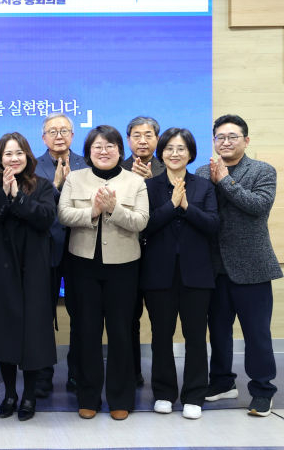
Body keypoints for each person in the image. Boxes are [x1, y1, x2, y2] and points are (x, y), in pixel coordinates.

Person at [58, 125, 149, 421]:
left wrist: (113, 209)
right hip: (83, 266)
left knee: (121, 333)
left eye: (110, 146)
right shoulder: (75, 178)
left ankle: (121, 398)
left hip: (124, 267)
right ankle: (88, 397)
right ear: (88, 152)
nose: (104, 151)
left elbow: (141, 221)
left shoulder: (135, 181)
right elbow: (63, 214)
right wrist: (93, 212)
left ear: (120, 151)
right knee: (87, 332)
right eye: (97, 146)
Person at [196, 114, 283, 417]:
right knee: (218, 331)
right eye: (220, 137)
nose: (226, 142)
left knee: (256, 334)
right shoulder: (202, 172)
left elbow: (258, 206)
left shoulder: (262, 170)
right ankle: (222, 382)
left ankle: (262, 390)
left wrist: (225, 181)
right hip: (213, 267)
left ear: (246, 140)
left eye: (232, 136)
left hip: (252, 267)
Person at [0, 132, 57, 422]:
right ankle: (10, 394)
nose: (14, 158)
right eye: (8, 154)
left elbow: (45, 218)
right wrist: (3, 193)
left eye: (19, 153)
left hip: (34, 268)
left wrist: (18, 197)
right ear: (0, 159)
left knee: (33, 333)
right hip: (0, 269)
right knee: (4, 332)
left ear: (28, 156)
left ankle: (30, 395)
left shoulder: (42, 185)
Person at [141, 128, 218, 420]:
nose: (175, 153)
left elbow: (212, 225)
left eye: (181, 148)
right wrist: (171, 205)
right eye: (169, 148)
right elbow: (144, 226)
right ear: (161, 153)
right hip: (158, 273)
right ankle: (163, 393)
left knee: (195, 335)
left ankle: (194, 394)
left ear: (191, 153)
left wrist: (186, 207)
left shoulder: (204, 186)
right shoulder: (149, 186)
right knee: (161, 335)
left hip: (196, 274)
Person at [34, 113, 87, 397]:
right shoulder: (33, 167)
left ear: (73, 135)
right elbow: (34, 207)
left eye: (64, 130)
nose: (59, 136)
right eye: (52, 131)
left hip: (81, 247)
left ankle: (78, 373)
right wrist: (55, 188)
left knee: (82, 313)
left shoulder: (87, 164)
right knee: (43, 314)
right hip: (45, 248)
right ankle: (43, 376)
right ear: (43, 137)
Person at [121, 115, 165, 388]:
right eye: (137, 135)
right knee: (129, 317)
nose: (142, 140)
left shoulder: (168, 168)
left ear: (157, 139)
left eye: (148, 135)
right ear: (128, 140)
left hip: (159, 255)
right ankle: (131, 372)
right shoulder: (116, 168)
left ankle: (162, 378)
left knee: (161, 319)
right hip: (126, 253)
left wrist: (152, 184)